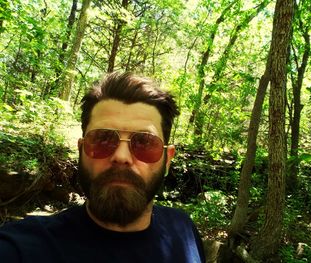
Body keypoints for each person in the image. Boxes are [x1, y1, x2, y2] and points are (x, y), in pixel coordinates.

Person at [0, 72, 205, 263]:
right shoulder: (21, 249)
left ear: (167, 159)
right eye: (102, 139)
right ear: (81, 150)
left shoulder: (184, 231)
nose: (121, 157)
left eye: (144, 142)